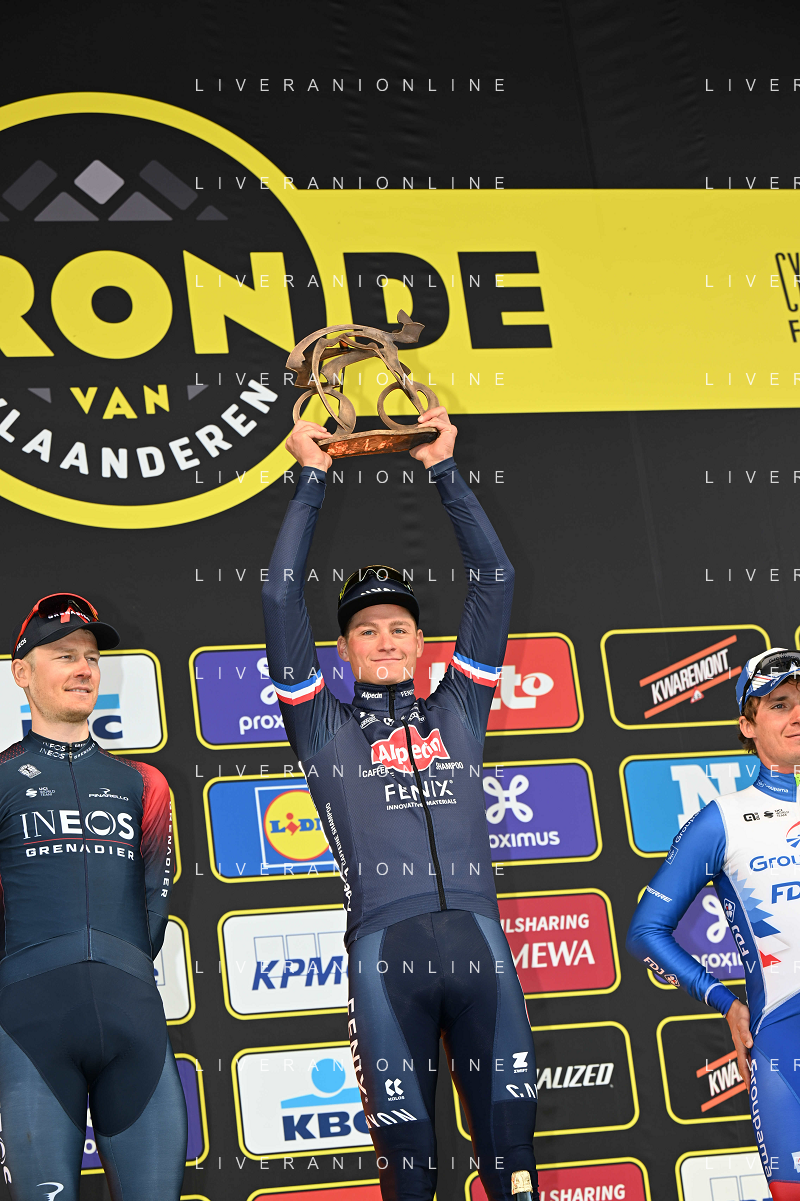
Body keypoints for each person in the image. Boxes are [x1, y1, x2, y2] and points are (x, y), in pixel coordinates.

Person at [263, 406, 537, 1201]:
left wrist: (444, 470)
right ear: (343, 649)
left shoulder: (461, 708)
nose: (384, 639)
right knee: (410, 1175)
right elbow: (280, 597)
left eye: (399, 626)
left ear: (421, 643)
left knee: (515, 1171)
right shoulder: (323, 728)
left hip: (482, 951)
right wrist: (311, 479)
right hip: (387, 957)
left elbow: (496, 579)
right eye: (366, 629)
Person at [0, 593, 186, 1201]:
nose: (84, 669)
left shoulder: (144, 783)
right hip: (29, 1031)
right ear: (22, 673)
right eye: (64, 656)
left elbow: (154, 908)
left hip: (134, 1026)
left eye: (92, 658)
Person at [627, 647, 800, 1200]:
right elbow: (645, 931)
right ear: (747, 726)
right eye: (780, 704)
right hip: (785, 1038)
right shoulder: (723, 820)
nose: (797, 714)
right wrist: (725, 1002)